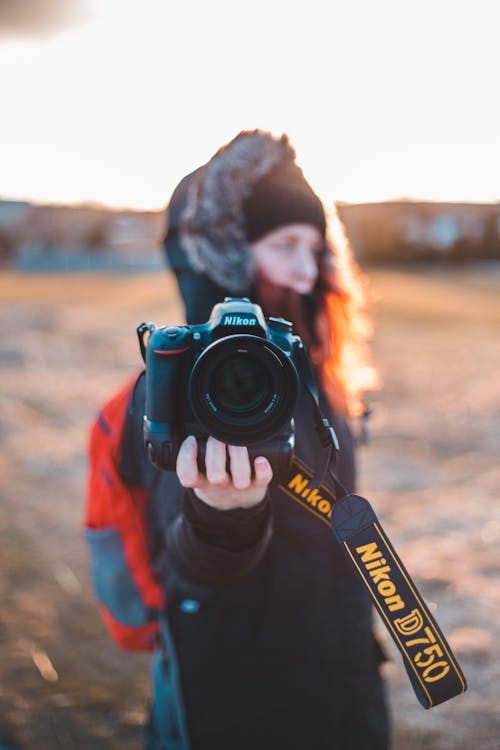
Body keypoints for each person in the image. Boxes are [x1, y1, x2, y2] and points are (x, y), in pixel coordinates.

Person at [85, 129, 389, 750]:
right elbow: (190, 570)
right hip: (235, 694)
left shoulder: (308, 374)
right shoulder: (176, 393)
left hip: (338, 671)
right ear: (223, 259)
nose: (308, 271)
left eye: (315, 247)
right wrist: (221, 514)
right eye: (285, 246)